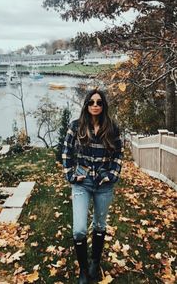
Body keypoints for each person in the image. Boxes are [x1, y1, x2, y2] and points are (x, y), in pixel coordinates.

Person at [62, 89, 123, 284]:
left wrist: (112, 175)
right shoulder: (76, 126)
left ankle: (95, 263)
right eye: (91, 102)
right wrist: (71, 175)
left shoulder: (112, 128)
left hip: (104, 184)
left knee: (99, 225)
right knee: (79, 229)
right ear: (86, 105)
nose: (95, 105)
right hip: (83, 182)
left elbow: (119, 155)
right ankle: (83, 271)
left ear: (103, 106)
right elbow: (66, 152)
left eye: (99, 102)